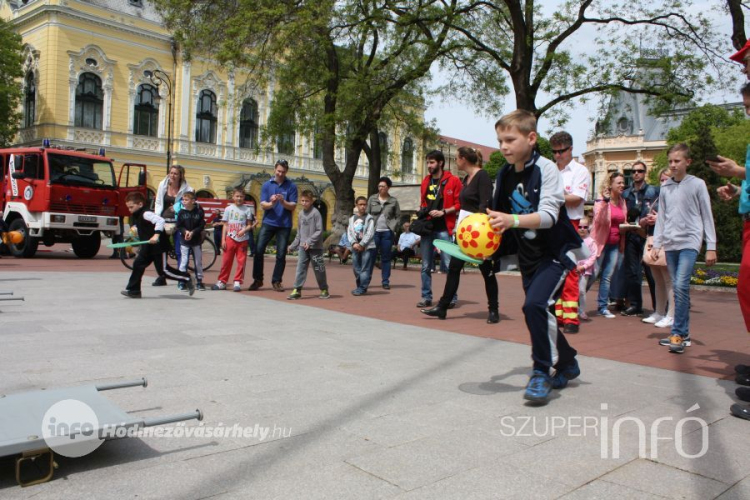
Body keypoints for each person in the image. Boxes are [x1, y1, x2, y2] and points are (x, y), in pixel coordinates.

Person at [487, 109, 584, 404]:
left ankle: (541, 372)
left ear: (531, 138)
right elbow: (495, 215)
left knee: (534, 306)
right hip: (528, 256)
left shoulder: (547, 169)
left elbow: (548, 217)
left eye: (509, 139)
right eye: (500, 140)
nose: (503, 146)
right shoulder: (503, 173)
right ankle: (567, 363)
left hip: (555, 252)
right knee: (539, 311)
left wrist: (511, 221)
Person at [651, 143, 717, 354]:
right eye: (670, 161)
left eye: (677, 161)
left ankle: (677, 332)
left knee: (679, 285)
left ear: (687, 162)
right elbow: (662, 217)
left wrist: (711, 246)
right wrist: (657, 242)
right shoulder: (666, 187)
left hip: (689, 241)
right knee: (679, 288)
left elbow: (707, 215)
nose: (673, 165)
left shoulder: (697, 184)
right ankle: (684, 333)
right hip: (671, 243)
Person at [422, 146, 499, 323]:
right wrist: (460, 228)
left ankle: (493, 309)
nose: (455, 161)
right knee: (454, 268)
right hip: (465, 232)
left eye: (457, 158)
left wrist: (479, 231)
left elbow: (485, 205)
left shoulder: (482, 176)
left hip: (479, 234)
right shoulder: (466, 178)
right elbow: (463, 207)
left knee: (487, 271)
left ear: (464, 158)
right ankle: (442, 307)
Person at [549, 132, 589, 333]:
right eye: (554, 152)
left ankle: (572, 319)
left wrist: (554, 196)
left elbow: (576, 199)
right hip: (551, 223)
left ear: (570, 149)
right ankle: (559, 314)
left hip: (570, 223)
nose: (557, 155)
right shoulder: (550, 170)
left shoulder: (580, 171)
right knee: (555, 271)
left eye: (561, 151)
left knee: (571, 271)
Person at [121, 191, 194, 298]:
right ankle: (134, 290)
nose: (129, 210)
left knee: (163, 271)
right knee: (138, 264)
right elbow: (145, 227)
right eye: (128, 207)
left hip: (159, 246)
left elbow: (160, 221)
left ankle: (187, 278)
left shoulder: (146, 213)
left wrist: (156, 235)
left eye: (131, 207)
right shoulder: (138, 215)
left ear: (140, 204)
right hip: (148, 248)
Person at [416, 151, 462, 307]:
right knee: (425, 266)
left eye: (432, 162)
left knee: (449, 265)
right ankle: (426, 296)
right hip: (427, 227)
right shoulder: (425, 181)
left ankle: (452, 297)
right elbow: (423, 202)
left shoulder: (453, 180)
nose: (429, 166)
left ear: (441, 163)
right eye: (428, 162)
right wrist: (423, 210)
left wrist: (443, 211)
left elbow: (459, 204)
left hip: (444, 228)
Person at [249, 160, 298, 292]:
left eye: (283, 171)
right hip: (269, 222)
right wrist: (272, 203)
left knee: (281, 254)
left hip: (284, 225)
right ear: (274, 169)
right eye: (278, 171)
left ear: (286, 171)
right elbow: (263, 205)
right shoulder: (267, 185)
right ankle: (258, 280)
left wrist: (282, 202)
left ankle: (277, 281)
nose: (280, 173)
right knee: (258, 250)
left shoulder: (291, 186)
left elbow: (293, 206)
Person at [620, 161, 659, 317]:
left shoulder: (653, 191)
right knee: (632, 272)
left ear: (645, 173)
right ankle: (635, 304)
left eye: (640, 171)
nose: (636, 173)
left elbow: (659, 209)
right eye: (633, 171)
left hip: (647, 235)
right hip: (631, 235)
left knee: (651, 271)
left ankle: (659, 307)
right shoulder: (626, 193)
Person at [590, 172, 627, 319]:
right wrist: (605, 202)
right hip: (600, 243)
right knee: (592, 274)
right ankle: (576, 302)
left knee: (607, 277)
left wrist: (624, 233)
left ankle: (602, 306)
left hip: (615, 244)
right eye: (618, 183)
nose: (622, 185)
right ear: (610, 185)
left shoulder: (622, 202)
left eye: (623, 183)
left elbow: (622, 221)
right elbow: (598, 220)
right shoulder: (601, 201)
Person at [642, 168, 675, 328]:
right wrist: (647, 219)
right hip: (653, 238)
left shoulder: (676, 197)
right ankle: (659, 312)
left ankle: (671, 315)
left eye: (666, 179)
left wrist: (659, 219)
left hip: (668, 241)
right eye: (661, 180)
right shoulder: (658, 197)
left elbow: (679, 219)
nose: (663, 183)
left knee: (669, 280)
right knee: (658, 280)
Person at [152, 165, 192, 286]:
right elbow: (158, 202)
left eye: (176, 174)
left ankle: (182, 278)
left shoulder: (188, 188)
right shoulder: (162, 185)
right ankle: (161, 276)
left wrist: (177, 208)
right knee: (161, 251)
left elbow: (190, 205)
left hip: (178, 223)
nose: (173, 176)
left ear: (181, 176)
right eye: (171, 173)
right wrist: (156, 219)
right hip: (163, 221)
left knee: (180, 251)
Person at [287, 191, 329, 300]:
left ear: (311, 201)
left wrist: (309, 241)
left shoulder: (316, 213)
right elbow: (299, 233)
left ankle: (324, 289)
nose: (304, 203)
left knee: (319, 269)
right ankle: (297, 289)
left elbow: (319, 230)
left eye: (307, 201)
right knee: (300, 268)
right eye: (303, 200)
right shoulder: (300, 214)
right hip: (303, 247)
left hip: (316, 248)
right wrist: (292, 245)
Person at [213, 188, 255, 292]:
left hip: (242, 240)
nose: (239, 198)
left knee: (241, 261)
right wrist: (223, 240)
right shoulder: (228, 209)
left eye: (241, 196)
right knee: (226, 261)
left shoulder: (247, 210)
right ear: (233, 197)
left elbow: (250, 225)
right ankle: (222, 281)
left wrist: (244, 230)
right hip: (230, 238)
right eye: (237, 196)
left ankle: (237, 281)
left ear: (244, 197)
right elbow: (225, 225)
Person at [367, 176, 401, 290]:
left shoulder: (393, 201)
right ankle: (366, 280)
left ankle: (385, 281)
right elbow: (367, 214)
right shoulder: (372, 199)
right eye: (379, 186)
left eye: (383, 186)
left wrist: (393, 226)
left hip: (387, 233)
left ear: (388, 188)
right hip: (374, 233)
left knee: (386, 258)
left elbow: (398, 216)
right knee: (371, 257)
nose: (381, 188)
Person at [175, 191, 206, 291]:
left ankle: (199, 281)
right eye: (183, 199)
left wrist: (193, 232)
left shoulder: (199, 212)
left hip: (196, 241)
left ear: (193, 201)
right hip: (185, 241)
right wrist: (185, 232)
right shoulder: (181, 212)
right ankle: (182, 281)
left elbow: (201, 225)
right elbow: (179, 226)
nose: (184, 201)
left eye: (186, 199)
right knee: (184, 261)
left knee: (198, 262)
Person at [349, 196, 377, 295]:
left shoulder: (369, 218)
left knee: (365, 268)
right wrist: (354, 243)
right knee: (356, 268)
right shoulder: (352, 218)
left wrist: (362, 244)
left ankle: (362, 287)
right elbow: (350, 232)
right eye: (360, 204)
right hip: (355, 247)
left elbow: (370, 233)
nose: (363, 206)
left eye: (364, 204)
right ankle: (360, 286)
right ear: (356, 205)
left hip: (367, 247)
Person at [575, 216, 598, 321]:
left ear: (588, 227)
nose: (582, 229)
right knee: (571, 291)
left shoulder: (591, 241)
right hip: (573, 269)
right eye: (580, 226)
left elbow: (593, 257)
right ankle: (572, 309)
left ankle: (582, 310)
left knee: (582, 291)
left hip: (584, 270)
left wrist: (584, 266)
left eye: (585, 227)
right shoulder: (573, 239)